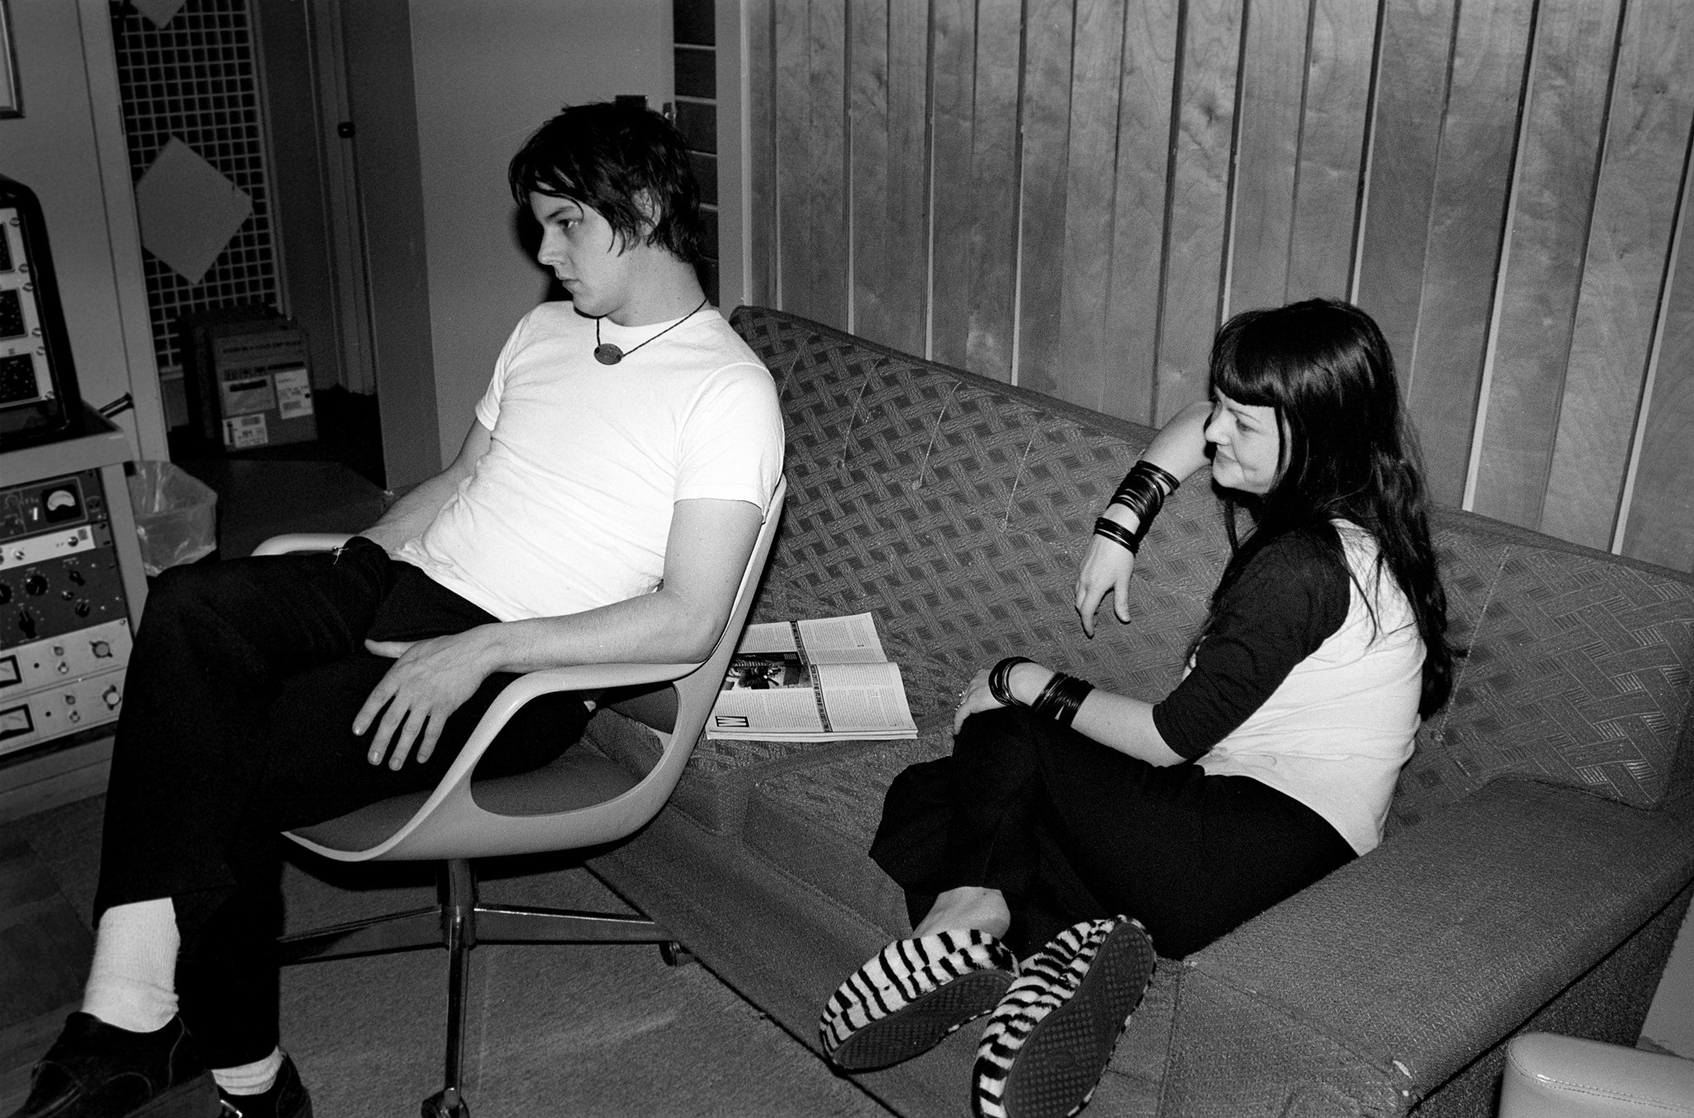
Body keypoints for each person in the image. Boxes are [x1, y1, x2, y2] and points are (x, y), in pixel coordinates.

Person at [11, 101, 784, 1118]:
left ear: (640, 205)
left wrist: (479, 651)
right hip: (400, 579)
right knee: (191, 607)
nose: (544, 253)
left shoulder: (727, 391)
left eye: (565, 224)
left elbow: (688, 617)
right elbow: (460, 478)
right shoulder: (544, 332)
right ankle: (144, 1012)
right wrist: (357, 562)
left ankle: (213, 1055)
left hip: (520, 669)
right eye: (540, 225)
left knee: (220, 753)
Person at [817, 299, 1452, 1118]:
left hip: (1264, 855)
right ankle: (1063, 971)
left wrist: (1022, 678)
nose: (1216, 432)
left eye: (1243, 423)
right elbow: (1193, 421)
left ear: (1314, 435)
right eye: (1225, 409)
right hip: (1240, 853)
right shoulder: (1351, 515)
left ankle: (967, 921)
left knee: (1009, 733)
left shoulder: (1304, 565)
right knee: (935, 795)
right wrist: (1123, 522)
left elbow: (1169, 738)